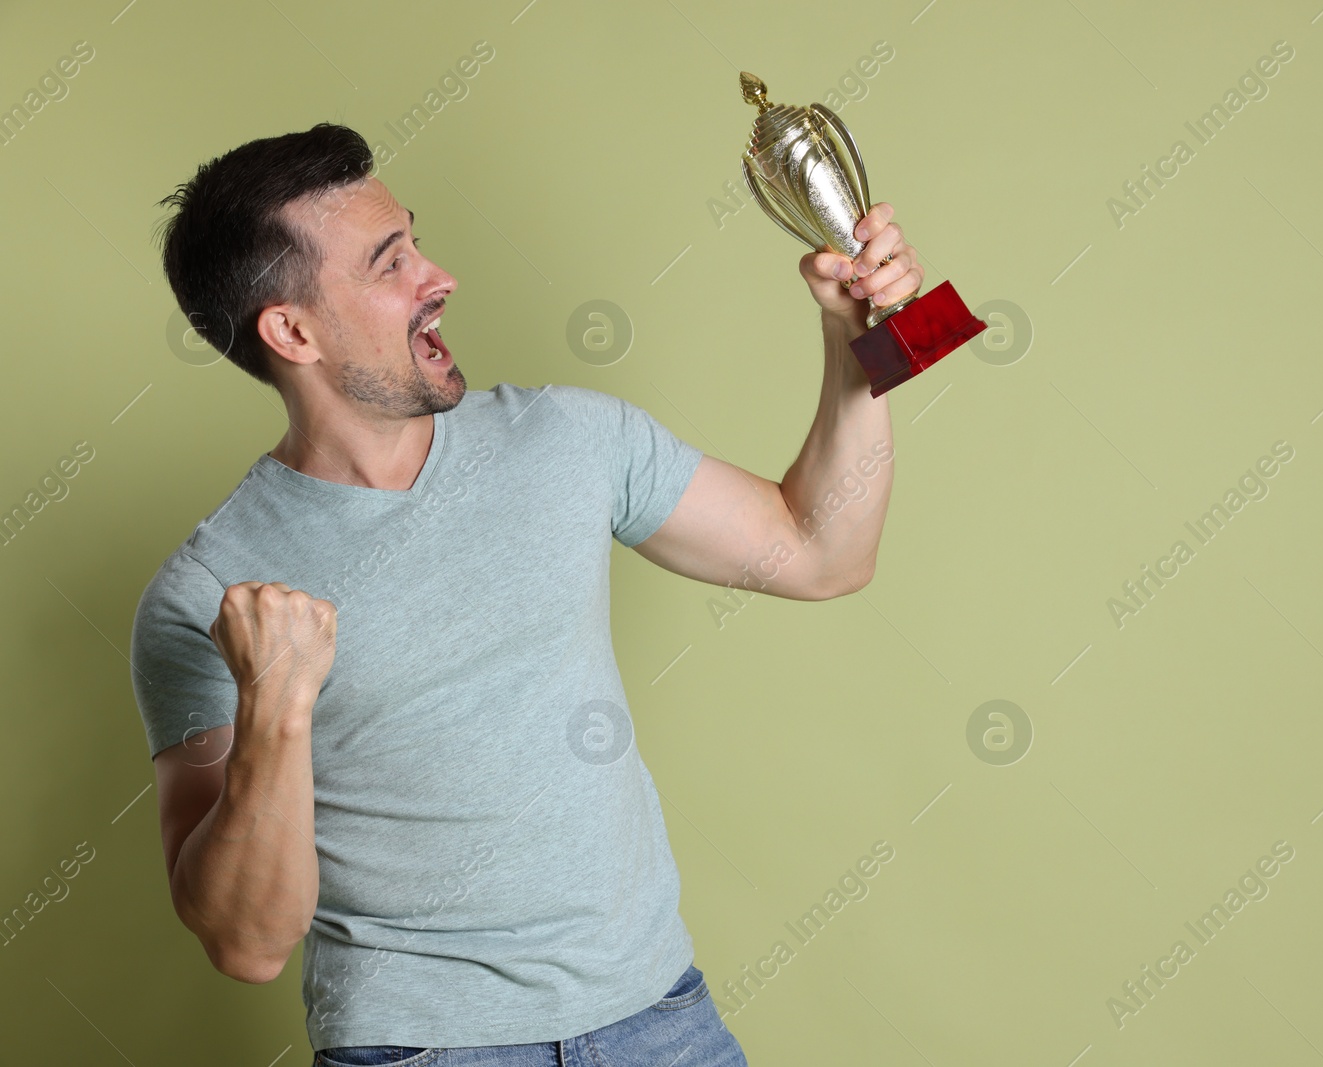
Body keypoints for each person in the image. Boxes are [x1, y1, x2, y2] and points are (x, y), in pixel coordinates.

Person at [130, 123, 922, 1066]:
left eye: (416, 240)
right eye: (391, 264)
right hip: (423, 1050)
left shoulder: (570, 439)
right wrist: (273, 709)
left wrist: (862, 341)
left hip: (661, 1020)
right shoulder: (205, 594)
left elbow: (823, 552)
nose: (440, 276)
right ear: (291, 330)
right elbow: (245, 944)